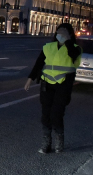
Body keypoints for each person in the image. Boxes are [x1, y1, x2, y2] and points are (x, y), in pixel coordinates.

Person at [24, 23, 81, 154]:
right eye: (59, 31)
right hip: (47, 83)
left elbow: (73, 56)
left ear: (70, 34)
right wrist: (30, 79)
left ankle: (59, 139)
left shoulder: (75, 48)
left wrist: (67, 41)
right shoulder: (48, 47)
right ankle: (46, 142)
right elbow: (39, 63)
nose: (60, 34)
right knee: (46, 114)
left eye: (64, 32)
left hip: (64, 85)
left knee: (57, 114)